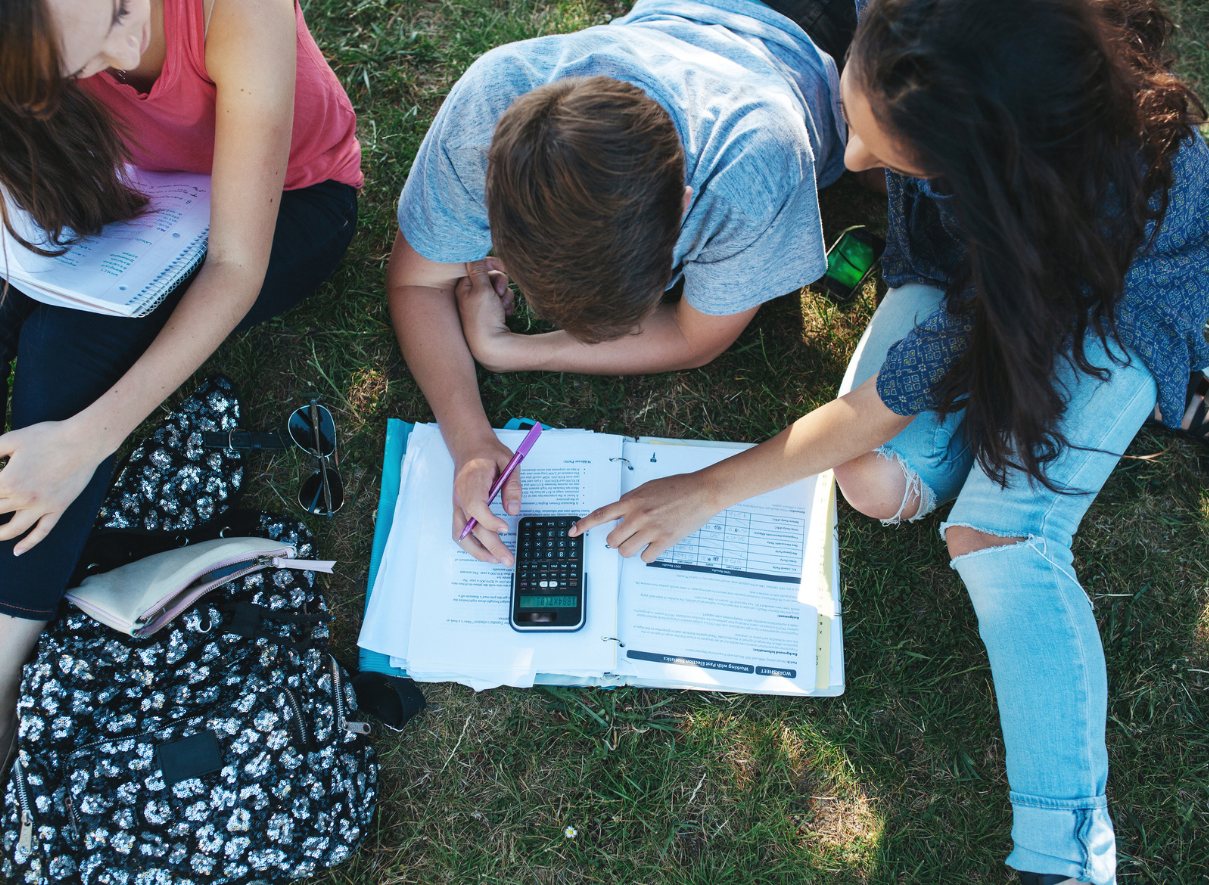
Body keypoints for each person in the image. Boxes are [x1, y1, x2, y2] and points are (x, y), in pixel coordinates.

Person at [572, 0, 1208, 882]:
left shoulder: (1056, 208)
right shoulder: (920, 35)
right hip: (965, 271)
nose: (855, 158)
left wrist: (710, 487)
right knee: (872, 484)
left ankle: (1063, 850)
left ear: (974, 168)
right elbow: (879, 422)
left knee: (997, 536)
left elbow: (879, 402)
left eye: (882, 148)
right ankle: (1031, 395)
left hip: (1115, 293)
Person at [0, 0, 361, 769]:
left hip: (291, 206)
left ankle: (5, 654)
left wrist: (86, 439)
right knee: (24, 313)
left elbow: (236, 264)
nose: (129, 45)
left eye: (126, 9)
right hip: (128, 184)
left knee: (67, 340)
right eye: (84, 65)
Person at [387, 0, 857, 567]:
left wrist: (510, 350)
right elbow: (416, 284)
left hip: (816, 32)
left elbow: (694, 338)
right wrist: (466, 441)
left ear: (685, 206)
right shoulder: (488, 108)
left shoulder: (753, 173)